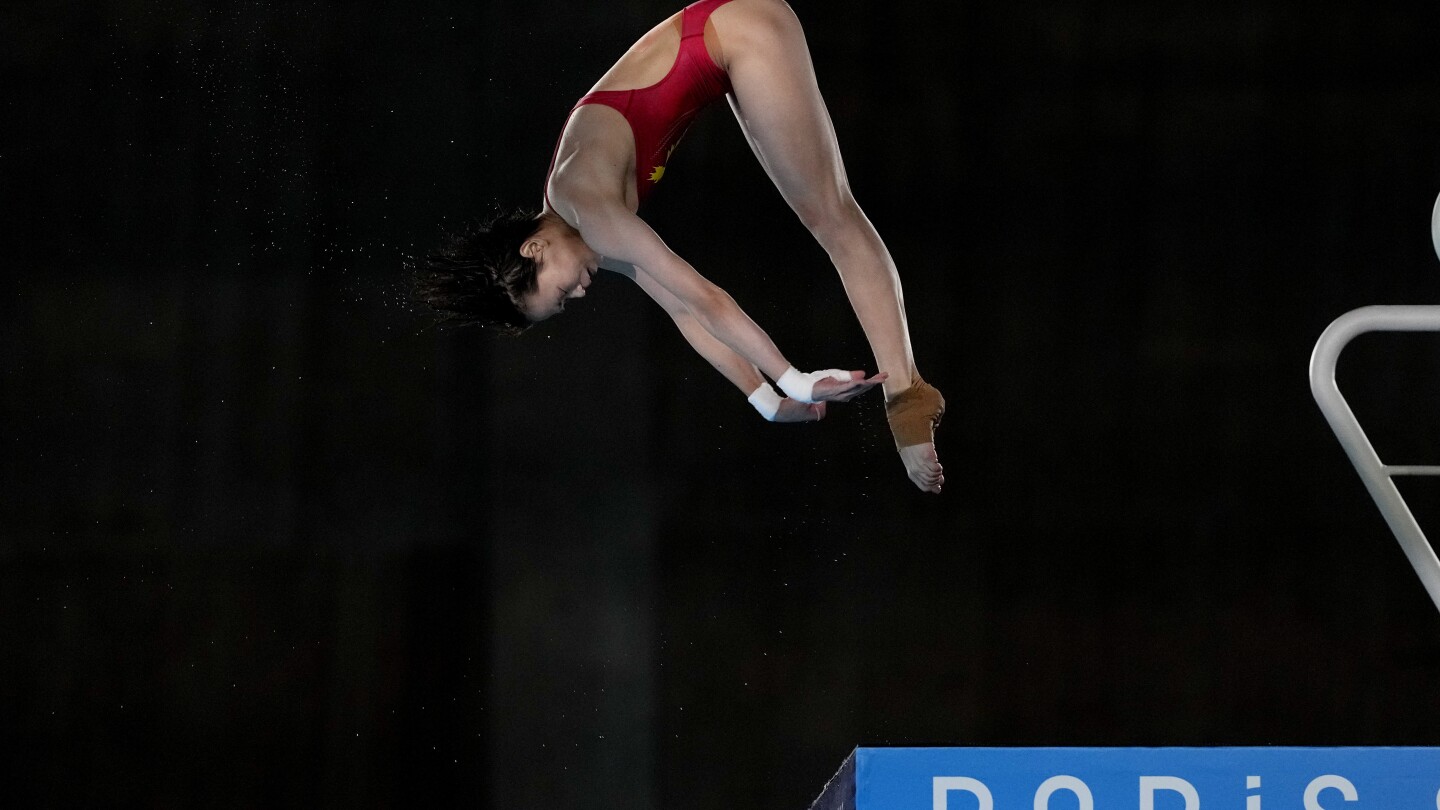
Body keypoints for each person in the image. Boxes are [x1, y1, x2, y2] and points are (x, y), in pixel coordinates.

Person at [415, 0, 945, 493]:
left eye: (558, 295)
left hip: (736, 33)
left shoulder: (589, 209)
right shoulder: (580, 224)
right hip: (725, 49)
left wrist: (798, 383)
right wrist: (766, 401)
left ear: (534, 249)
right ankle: (902, 395)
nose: (576, 297)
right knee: (824, 215)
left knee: (831, 215)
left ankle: (907, 400)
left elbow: (706, 296)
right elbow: (687, 313)